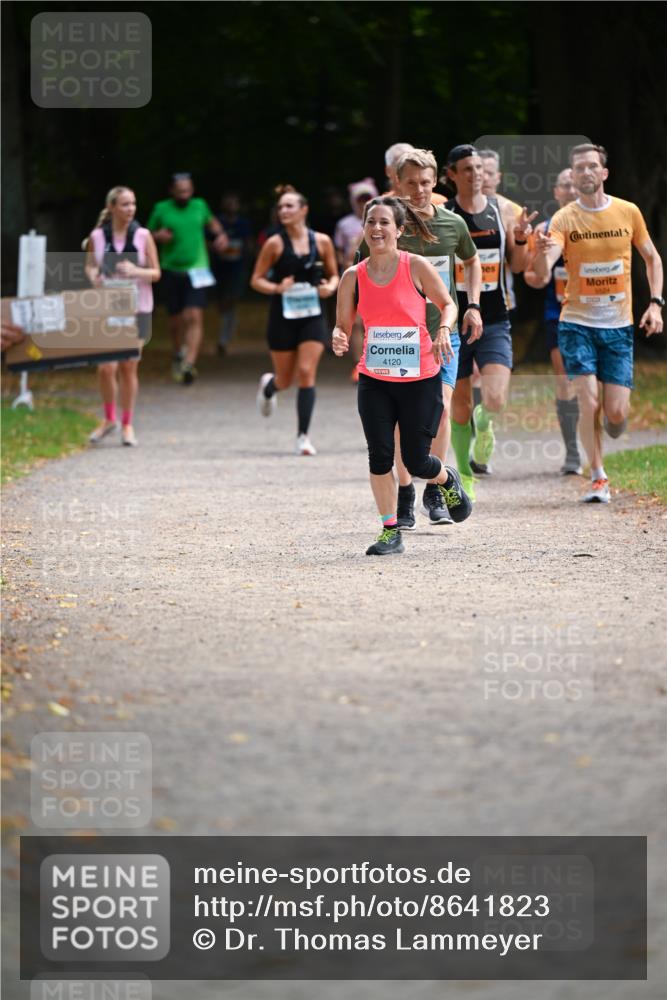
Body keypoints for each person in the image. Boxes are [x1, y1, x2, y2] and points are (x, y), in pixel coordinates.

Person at [332, 195, 472, 556]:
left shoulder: (416, 266)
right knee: (379, 455)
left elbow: (448, 303)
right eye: (371, 222)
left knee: (416, 461)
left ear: (399, 229)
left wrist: (444, 328)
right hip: (375, 378)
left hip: (420, 376)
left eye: (384, 222)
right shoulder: (353, 276)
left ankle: (445, 478)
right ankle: (390, 530)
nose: (376, 229)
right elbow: (343, 325)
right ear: (363, 228)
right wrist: (339, 336)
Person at [531, 143, 664, 503]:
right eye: (579, 168)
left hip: (618, 326)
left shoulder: (627, 211)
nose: (586, 172)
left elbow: (652, 259)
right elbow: (544, 272)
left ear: (604, 173)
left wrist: (655, 303)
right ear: (573, 177)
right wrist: (542, 254)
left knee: (616, 415)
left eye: (592, 166)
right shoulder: (563, 219)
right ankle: (598, 476)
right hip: (575, 323)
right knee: (588, 400)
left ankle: (611, 430)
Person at [359, 149, 483, 528]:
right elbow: (362, 275)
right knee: (397, 425)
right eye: (410, 183)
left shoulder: (452, 224)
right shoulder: (387, 226)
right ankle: (405, 492)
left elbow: (472, 260)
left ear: (436, 183)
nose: (418, 190)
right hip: (396, 340)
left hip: (440, 336)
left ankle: (435, 488)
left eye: (426, 183)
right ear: (397, 183)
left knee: (439, 411)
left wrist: (473, 304)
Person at [445, 145, 537, 495]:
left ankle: (485, 427)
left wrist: (522, 239)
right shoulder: (445, 214)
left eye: (480, 168)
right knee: (461, 404)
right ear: (452, 174)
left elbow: (517, 265)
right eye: (467, 169)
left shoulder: (503, 211)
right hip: (454, 321)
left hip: (495, 317)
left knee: (494, 399)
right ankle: (464, 473)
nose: (475, 174)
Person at [251, 185, 339, 455]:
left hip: (312, 315)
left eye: (289, 206)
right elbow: (256, 280)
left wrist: (330, 288)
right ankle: (270, 386)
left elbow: (335, 275)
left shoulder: (322, 241)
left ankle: (303, 436)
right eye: (280, 207)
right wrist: (277, 288)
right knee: (286, 380)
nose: (284, 211)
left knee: (306, 372)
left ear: (304, 210)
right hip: (283, 315)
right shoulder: (274, 244)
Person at [84, 186, 161, 447]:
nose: (130, 209)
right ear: (113, 207)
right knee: (106, 368)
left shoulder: (142, 235)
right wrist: (93, 276)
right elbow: (90, 266)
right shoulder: (97, 237)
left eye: (133, 204)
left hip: (138, 308)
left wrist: (136, 271)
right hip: (109, 308)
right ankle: (109, 419)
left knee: (129, 366)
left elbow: (156, 272)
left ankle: (127, 424)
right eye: (125, 204)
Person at [524, 167, 582, 475]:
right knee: (565, 378)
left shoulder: (597, 226)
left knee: (590, 384)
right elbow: (533, 279)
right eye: (565, 185)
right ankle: (572, 450)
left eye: (575, 185)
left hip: (596, 314)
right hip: (557, 313)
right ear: (556, 192)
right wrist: (543, 264)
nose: (571, 190)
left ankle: (596, 433)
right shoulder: (543, 231)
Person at [147, 173, 228, 384]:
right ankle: (177, 353)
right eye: (181, 190)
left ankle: (188, 364)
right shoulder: (161, 209)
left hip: (197, 269)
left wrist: (220, 235)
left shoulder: (200, 205)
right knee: (175, 321)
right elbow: (146, 234)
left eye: (188, 190)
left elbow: (213, 224)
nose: (185, 194)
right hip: (170, 269)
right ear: (172, 190)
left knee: (194, 315)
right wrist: (158, 236)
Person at [210, 192, 253, 355]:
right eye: (228, 202)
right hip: (220, 268)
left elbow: (249, 243)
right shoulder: (217, 222)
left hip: (238, 268)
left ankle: (224, 337)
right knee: (222, 302)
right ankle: (222, 334)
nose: (231, 206)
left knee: (231, 299)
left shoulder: (243, 223)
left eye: (234, 203)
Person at [334, 178, 379, 271]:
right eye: (360, 199)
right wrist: (346, 266)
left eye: (367, 198)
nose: (364, 203)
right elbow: (339, 251)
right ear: (353, 200)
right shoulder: (344, 223)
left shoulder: (383, 220)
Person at [384, 141, 447, 206]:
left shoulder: (439, 203)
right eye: (400, 165)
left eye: (413, 163)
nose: (419, 190)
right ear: (388, 171)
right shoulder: (379, 207)